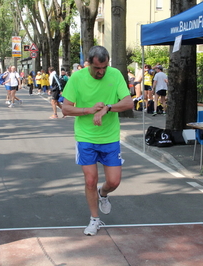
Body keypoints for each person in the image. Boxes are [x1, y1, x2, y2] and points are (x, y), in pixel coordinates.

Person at [62, 46, 133, 236]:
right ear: (88, 64)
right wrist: (88, 110)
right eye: (97, 69)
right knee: (90, 180)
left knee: (114, 181)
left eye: (104, 67)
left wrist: (107, 107)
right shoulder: (77, 78)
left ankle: (103, 194)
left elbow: (128, 103)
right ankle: (94, 219)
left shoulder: (115, 74)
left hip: (110, 137)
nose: (101, 72)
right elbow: (65, 109)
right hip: (85, 137)